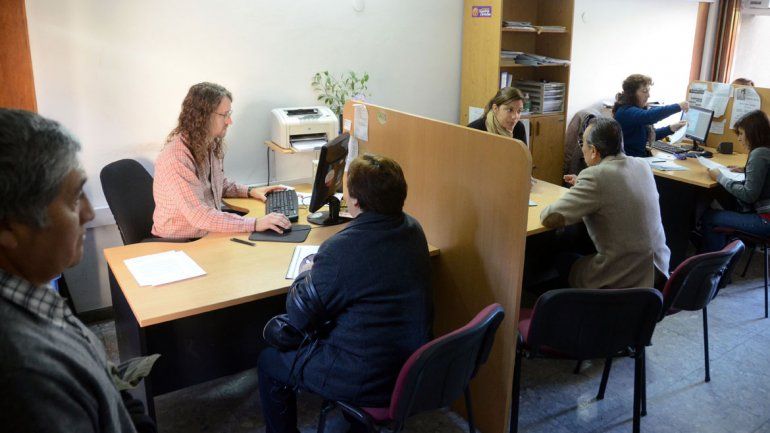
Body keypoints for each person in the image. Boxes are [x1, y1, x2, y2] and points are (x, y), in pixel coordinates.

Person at [257, 154, 432, 433]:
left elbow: (299, 316)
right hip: (413, 365)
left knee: (270, 361)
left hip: (367, 377)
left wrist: (307, 272)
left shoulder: (342, 250)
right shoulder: (413, 229)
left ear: (356, 202)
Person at [0, 109, 150, 432]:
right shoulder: (28, 377)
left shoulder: (31, 292)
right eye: (73, 199)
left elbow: (104, 379)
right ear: (7, 226)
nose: (88, 213)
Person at [541, 117, 670, 289]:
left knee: (561, 257)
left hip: (625, 278)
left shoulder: (595, 176)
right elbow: (615, 188)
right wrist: (584, 185)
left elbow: (550, 217)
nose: (582, 148)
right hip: (658, 272)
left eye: (582, 143)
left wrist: (582, 189)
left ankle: (562, 302)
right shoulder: (642, 165)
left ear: (594, 151)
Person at [152, 82, 290, 239]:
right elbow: (199, 215)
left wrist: (251, 191)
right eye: (224, 115)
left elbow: (217, 185)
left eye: (229, 114)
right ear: (203, 116)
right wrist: (255, 223)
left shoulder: (206, 143)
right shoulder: (176, 158)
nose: (229, 121)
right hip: (180, 242)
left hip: (206, 231)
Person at [700, 110, 770, 252]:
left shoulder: (759, 153)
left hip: (765, 220)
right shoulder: (766, 150)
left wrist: (720, 177)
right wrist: (746, 170)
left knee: (709, 218)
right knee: (722, 199)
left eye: (741, 134)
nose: (739, 138)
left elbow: (748, 195)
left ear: (753, 133)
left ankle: (717, 264)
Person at [613, 74, 689, 157]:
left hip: (636, 159)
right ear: (632, 93)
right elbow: (648, 117)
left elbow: (647, 136)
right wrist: (678, 106)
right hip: (631, 161)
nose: (648, 95)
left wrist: (671, 128)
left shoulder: (633, 110)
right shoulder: (625, 111)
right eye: (644, 91)